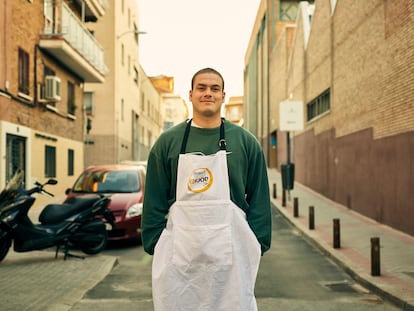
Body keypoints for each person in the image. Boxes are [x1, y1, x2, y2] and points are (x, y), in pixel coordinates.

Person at [142, 67, 272, 311]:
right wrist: (155, 242)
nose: (208, 93)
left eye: (215, 88)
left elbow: (260, 198)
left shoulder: (245, 142)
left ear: (223, 96)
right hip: (179, 258)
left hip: (233, 255)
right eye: (201, 88)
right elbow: (154, 198)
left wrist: (257, 242)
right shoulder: (167, 142)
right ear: (190, 94)